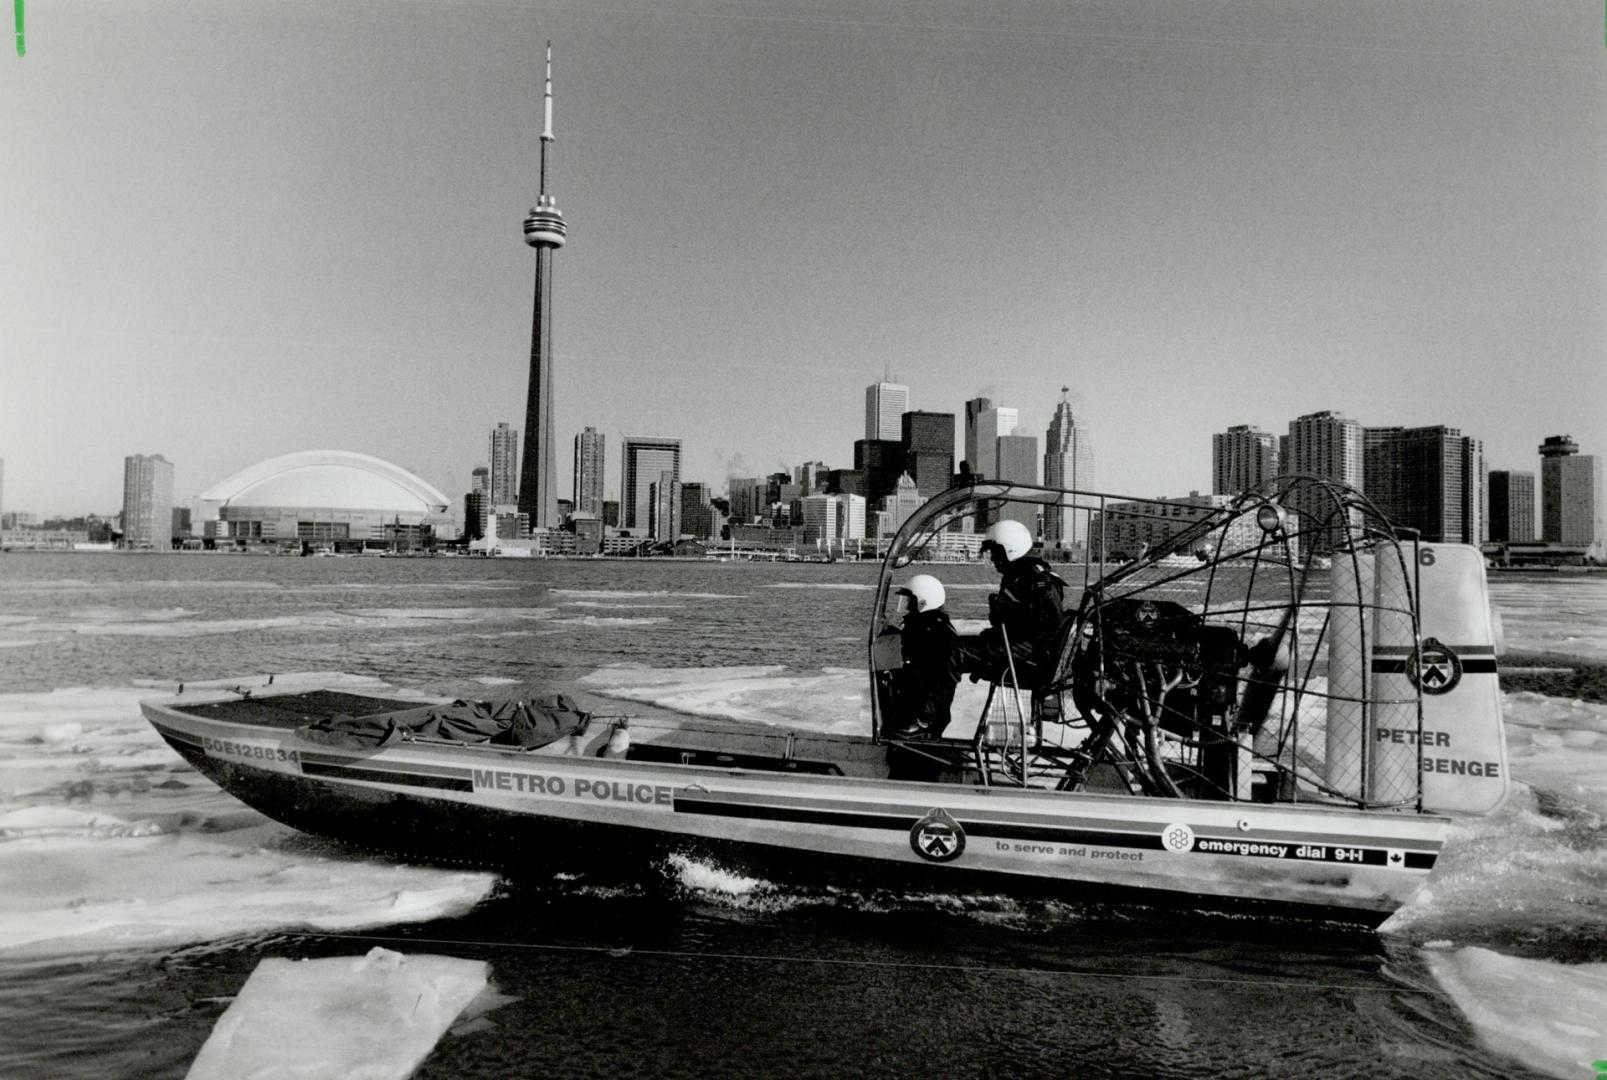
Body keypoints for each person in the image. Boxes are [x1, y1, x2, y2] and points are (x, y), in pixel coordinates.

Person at [953, 519, 1067, 685]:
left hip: (1027, 652)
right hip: (1016, 646)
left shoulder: (1038, 579)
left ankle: (932, 711)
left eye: (996, 553)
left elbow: (1051, 619)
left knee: (952, 654)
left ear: (1011, 549)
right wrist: (1001, 610)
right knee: (949, 644)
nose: (993, 559)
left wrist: (1010, 608)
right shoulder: (1017, 576)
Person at [884, 573, 959, 739]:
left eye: (910, 601)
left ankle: (920, 727)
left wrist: (924, 716)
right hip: (916, 705)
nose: (907, 606)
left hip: (925, 713)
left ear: (923, 602)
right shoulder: (921, 625)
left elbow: (941, 680)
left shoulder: (935, 632)